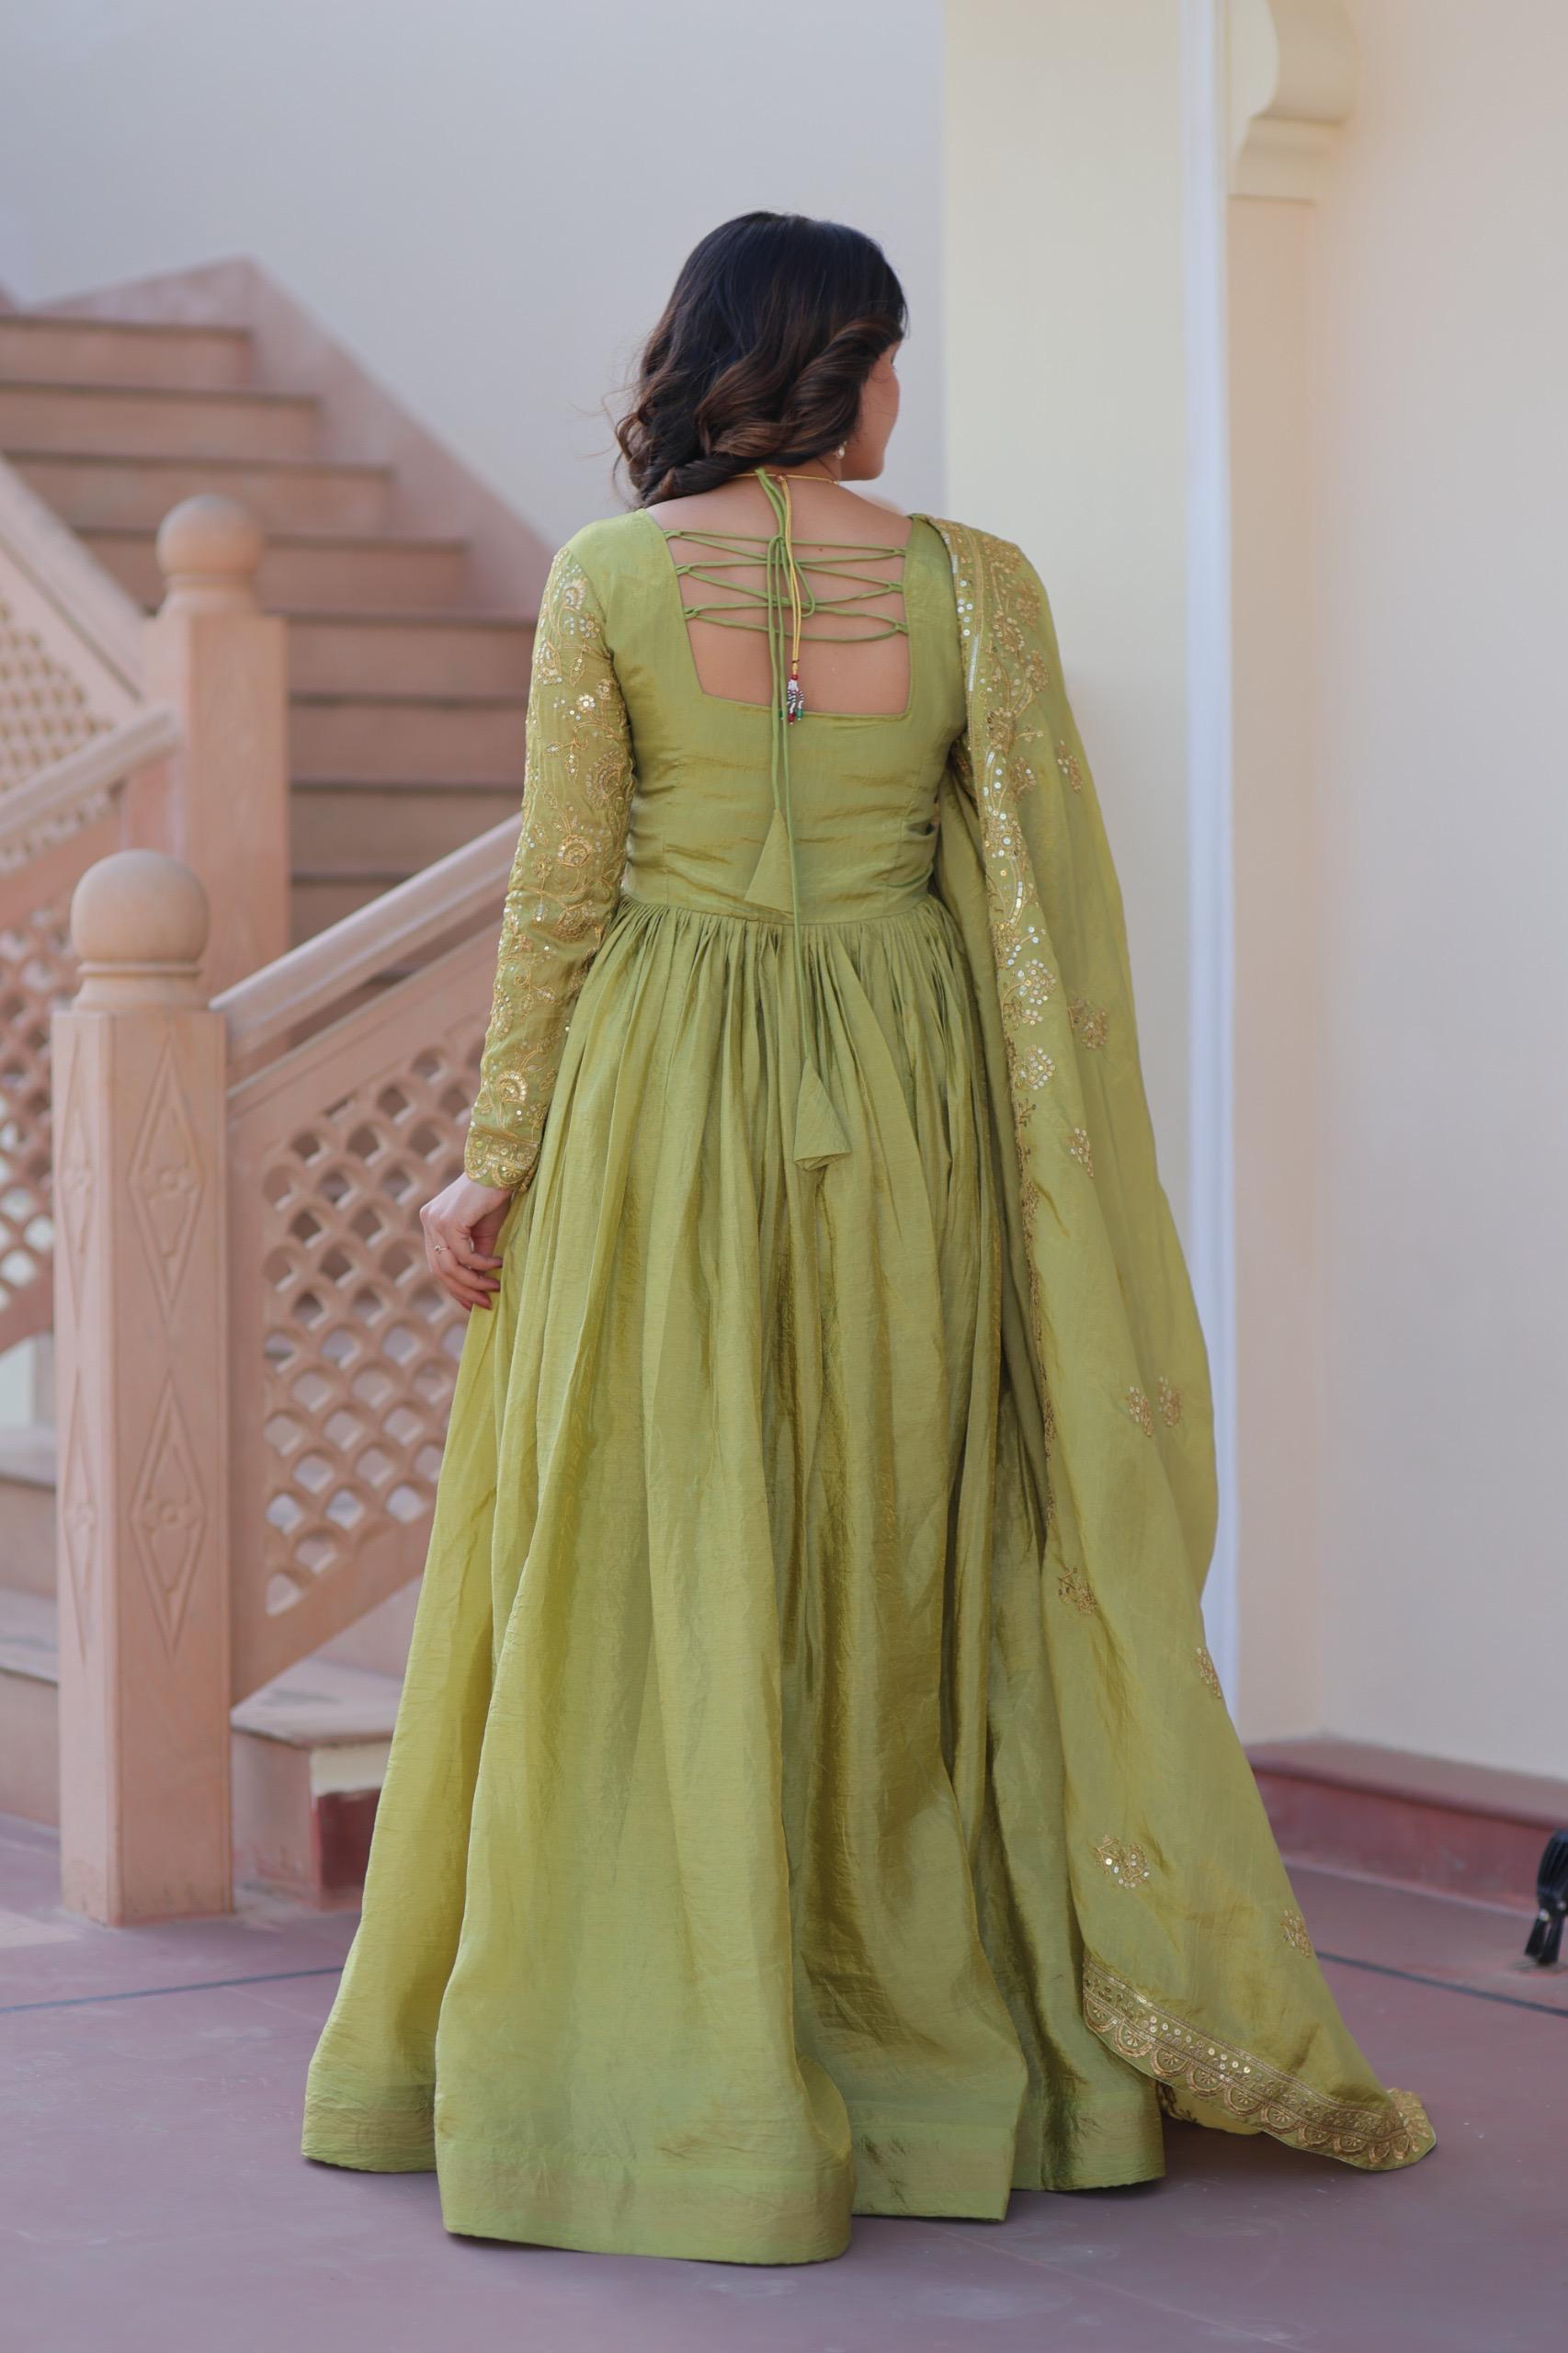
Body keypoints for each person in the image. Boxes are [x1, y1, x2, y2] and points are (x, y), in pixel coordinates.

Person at [301, 210, 1433, 2265]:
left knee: (653, 1527)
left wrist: (488, 1157)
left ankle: (655, 2034)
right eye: (890, 352)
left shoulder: (608, 578)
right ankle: (913, 2018)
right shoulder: (971, 588)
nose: (903, 390)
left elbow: (560, 894)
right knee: (900, 1528)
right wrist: (1048, 1171)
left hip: (659, 1094)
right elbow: (1029, 906)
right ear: (837, 362)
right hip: (908, 1097)